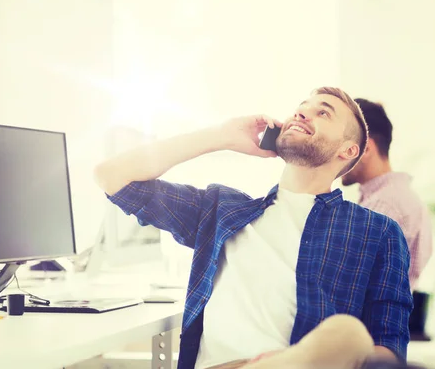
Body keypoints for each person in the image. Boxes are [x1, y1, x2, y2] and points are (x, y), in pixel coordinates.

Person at [94, 87, 413, 369]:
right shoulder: (222, 210)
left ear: (348, 150)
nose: (302, 112)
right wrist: (220, 136)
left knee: (349, 336)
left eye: (323, 112)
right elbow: (112, 177)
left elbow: (390, 351)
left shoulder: (378, 233)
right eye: (302, 106)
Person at [342, 99, 432, 291]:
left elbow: (347, 281)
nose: (337, 155)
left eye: (344, 147)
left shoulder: (384, 205)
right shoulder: (399, 198)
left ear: (365, 149)